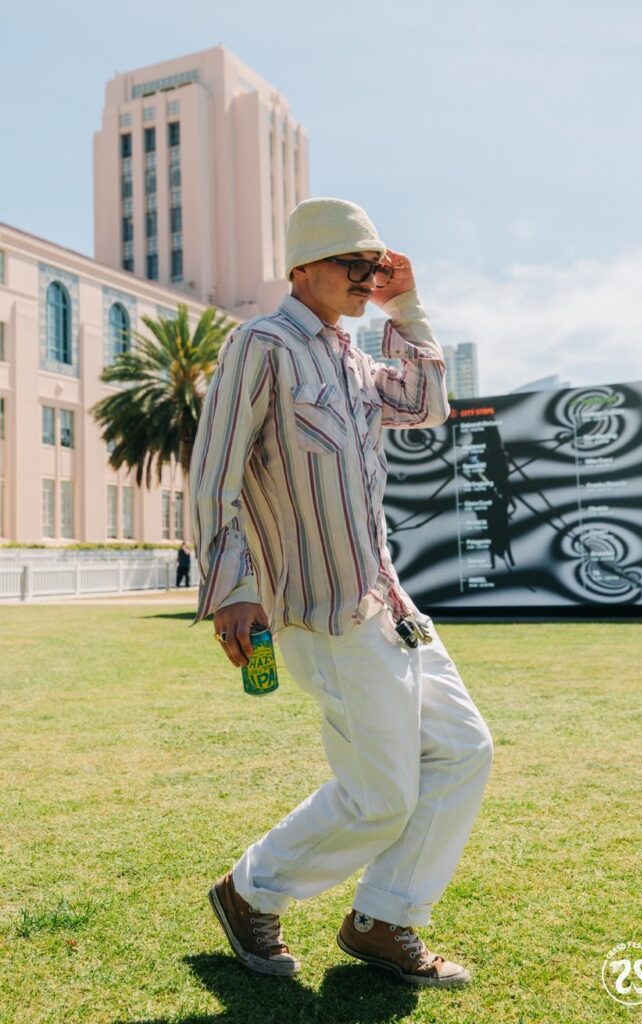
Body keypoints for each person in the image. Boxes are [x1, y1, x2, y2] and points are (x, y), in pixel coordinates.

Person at [190, 197, 493, 988]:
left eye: (374, 264)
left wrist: (406, 308)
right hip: (321, 611)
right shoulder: (261, 343)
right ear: (303, 268)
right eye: (352, 263)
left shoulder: (353, 360)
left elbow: (426, 405)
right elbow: (214, 474)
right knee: (379, 797)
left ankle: (383, 919)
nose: (366, 276)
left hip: (389, 606)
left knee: (463, 752)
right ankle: (249, 891)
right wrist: (233, 589)